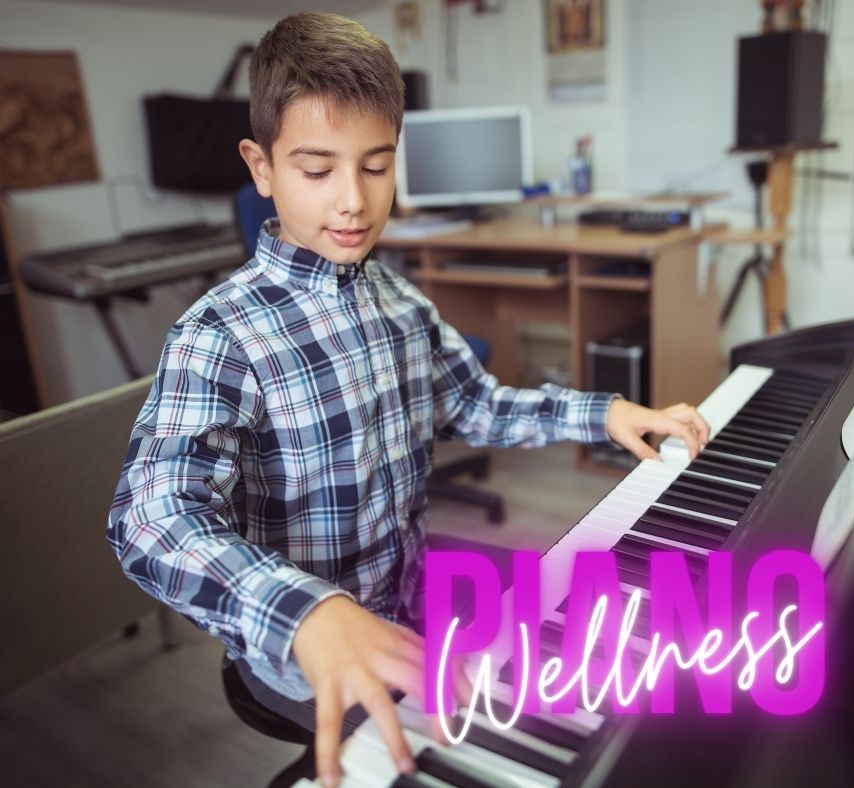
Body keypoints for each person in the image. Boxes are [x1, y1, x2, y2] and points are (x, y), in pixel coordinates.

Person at [107, 11, 710, 787]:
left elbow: (478, 405)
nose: (353, 201)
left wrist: (603, 412)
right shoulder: (218, 335)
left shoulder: (399, 302)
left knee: (604, 652)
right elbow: (148, 517)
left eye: (376, 165)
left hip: (411, 600)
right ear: (261, 168)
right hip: (297, 654)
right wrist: (306, 615)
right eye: (317, 170)